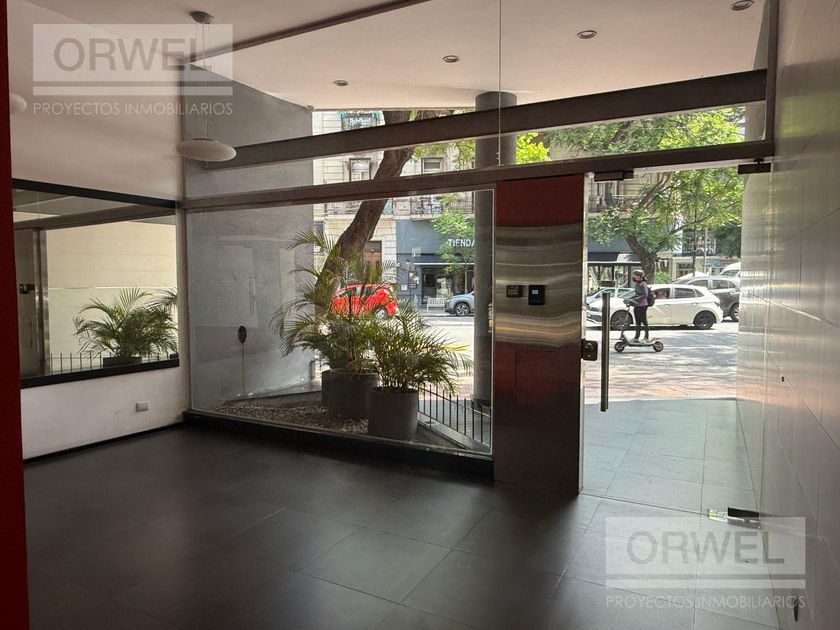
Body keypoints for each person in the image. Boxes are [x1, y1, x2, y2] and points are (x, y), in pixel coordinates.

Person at [627, 269, 649, 342]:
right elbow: (636, 294)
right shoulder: (637, 284)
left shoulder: (643, 284)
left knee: (644, 321)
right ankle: (636, 337)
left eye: (635, 275)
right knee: (637, 322)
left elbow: (645, 295)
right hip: (637, 305)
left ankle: (646, 337)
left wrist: (635, 300)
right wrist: (629, 299)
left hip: (642, 305)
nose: (633, 276)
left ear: (639, 276)